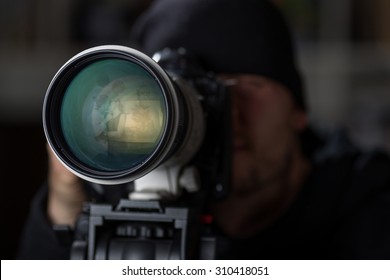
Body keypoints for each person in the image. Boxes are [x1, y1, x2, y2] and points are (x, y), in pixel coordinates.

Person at [18, 0, 390, 259]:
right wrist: (66, 205)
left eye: (246, 86)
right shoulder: (123, 202)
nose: (224, 113)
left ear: (298, 111)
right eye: (194, 96)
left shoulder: (369, 202)